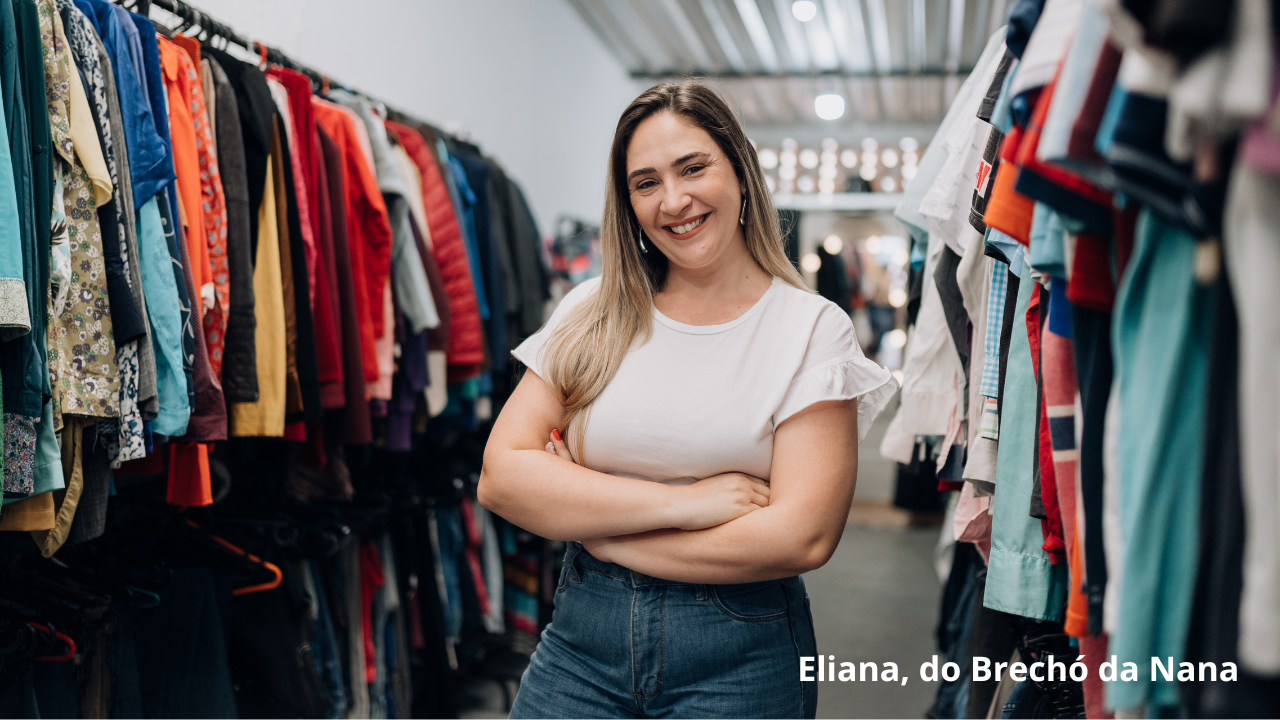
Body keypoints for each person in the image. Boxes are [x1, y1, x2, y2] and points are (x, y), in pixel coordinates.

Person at [478, 82, 897, 719]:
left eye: (693, 167)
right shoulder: (592, 310)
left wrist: (597, 530)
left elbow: (801, 536)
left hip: (738, 651)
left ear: (740, 169)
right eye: (645, 183)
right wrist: (687, 502)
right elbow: (503, 477)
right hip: (580, 641)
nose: (673, 200)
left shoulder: (812, 328)